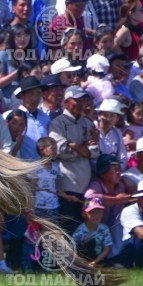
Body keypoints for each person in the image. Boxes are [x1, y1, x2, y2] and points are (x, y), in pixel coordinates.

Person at [49, 86, 99, 231]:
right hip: (67, 184)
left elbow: (95, 151)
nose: (82, 104)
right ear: (67, 102)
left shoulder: (88, 124)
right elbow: (60, 151)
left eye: (84, 100)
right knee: (68, 228)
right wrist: (84, 149)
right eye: (78, 100)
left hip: (86, 188)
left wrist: (75, 146)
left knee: (84, 230)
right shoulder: (57, 123)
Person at [72, 195, 114, 269]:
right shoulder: (79, 231)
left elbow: (107, 249)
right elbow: (72, 249)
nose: (96, 215)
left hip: (99, 259)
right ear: (84, 214)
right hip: (83, 259)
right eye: (92, 212)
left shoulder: (104, 228)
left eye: (99, 212)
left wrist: (95, 262)